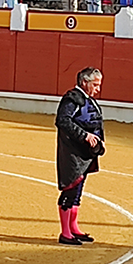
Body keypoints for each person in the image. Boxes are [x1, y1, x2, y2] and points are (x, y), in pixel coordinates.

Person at [54, 67, 104, 246]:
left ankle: (73, 228)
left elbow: (96, 123)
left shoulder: (87, 100)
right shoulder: (72, 99)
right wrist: (85, 136)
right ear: (84, 83)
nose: (98, 89)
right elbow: (62, 121)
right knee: (70, 188)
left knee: (78, 191)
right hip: (72, 152)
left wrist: (100, 141)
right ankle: (65, 232)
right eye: (95, 85)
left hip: (84, 152)